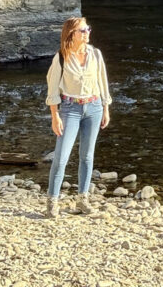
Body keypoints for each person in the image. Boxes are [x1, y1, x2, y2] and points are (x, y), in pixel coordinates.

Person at [44, 16, 111, 219]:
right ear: (71, 34)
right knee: (61, 157)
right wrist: (55, 116)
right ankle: (52, 202)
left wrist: (105, 108)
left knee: (87, 156)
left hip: (94, 107)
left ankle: (83, 200)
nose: (87, 33)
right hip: (69, 109)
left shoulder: (95, 54)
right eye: (82, 30)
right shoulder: (61, 57)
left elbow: (102, 82)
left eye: (87, 29)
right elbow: (52, 89)